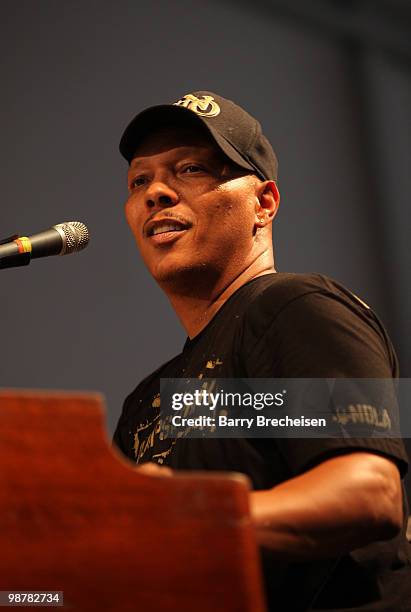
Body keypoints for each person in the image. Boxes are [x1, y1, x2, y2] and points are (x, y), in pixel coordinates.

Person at [113, 91, 411, 611]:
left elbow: (368, 494)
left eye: (191, 169)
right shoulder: (149, 399)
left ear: (264, 203)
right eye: (140, 180)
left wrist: (194, 517)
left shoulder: (291, 307)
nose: (156, 192)